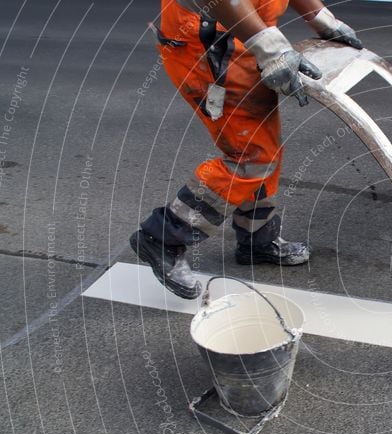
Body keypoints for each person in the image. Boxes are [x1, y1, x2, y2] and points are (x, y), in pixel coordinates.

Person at [130, 0, 363, 298]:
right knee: (251, 157)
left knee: (263, 147)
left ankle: (257, 239)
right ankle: (162, 237)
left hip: (247, 36)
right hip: (208, 45)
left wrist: (320, 18)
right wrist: (270, 47)